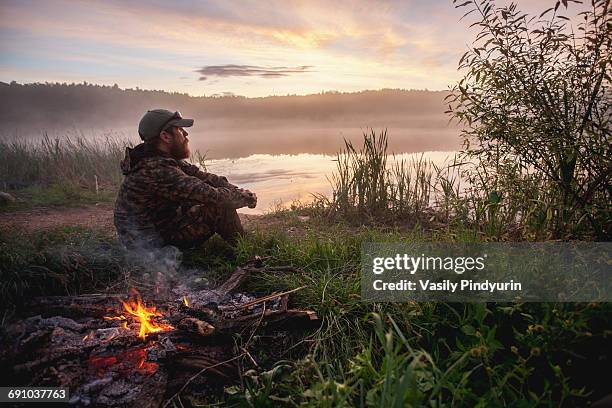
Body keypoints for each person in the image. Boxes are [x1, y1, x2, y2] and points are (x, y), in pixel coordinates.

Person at [114, 109, 257, 249]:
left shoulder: (158, 157)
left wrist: (236, 190)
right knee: (220, 207)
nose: (186, 134)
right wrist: (245, 197)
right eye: (180, 130)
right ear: (165, 136)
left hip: (153, 230)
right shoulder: (156, 169)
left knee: (214, 200)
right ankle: (247, 250)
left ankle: (244, 246)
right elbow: (212, 196)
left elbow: (202, 176)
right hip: (148, 245)